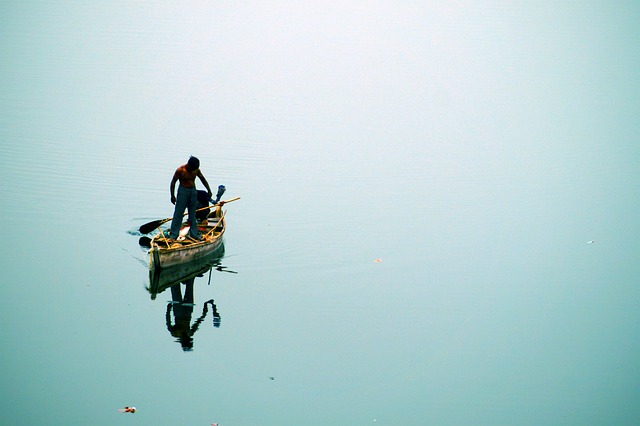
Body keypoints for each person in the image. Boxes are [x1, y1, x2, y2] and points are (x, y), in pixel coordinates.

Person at [169, 156, 212, 240]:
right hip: (183, 192)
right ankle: (173, 236)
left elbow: (203, 179)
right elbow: (173, 182)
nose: (194, 170)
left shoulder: (196, 170)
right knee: (178, 214)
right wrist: (172, 196)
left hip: (192, 191)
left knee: (192, 214)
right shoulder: (180, 170)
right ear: (189, 165)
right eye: (193, 168)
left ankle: (194, 234)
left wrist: (209, 190)